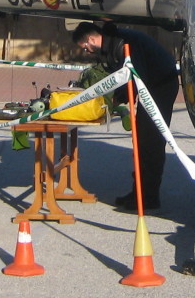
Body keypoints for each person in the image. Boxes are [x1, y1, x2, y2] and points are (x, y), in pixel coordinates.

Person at [70, 20, 179, 212]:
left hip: (160, 85)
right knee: (141, 141)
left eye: (85, 46)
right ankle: (138, 191)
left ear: (91, 39)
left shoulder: (122, 44)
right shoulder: (112, 44)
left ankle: (149, 197)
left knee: (150, 141)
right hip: (149, 83)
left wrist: (116, 100)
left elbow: (136, 77)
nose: (86, 51)